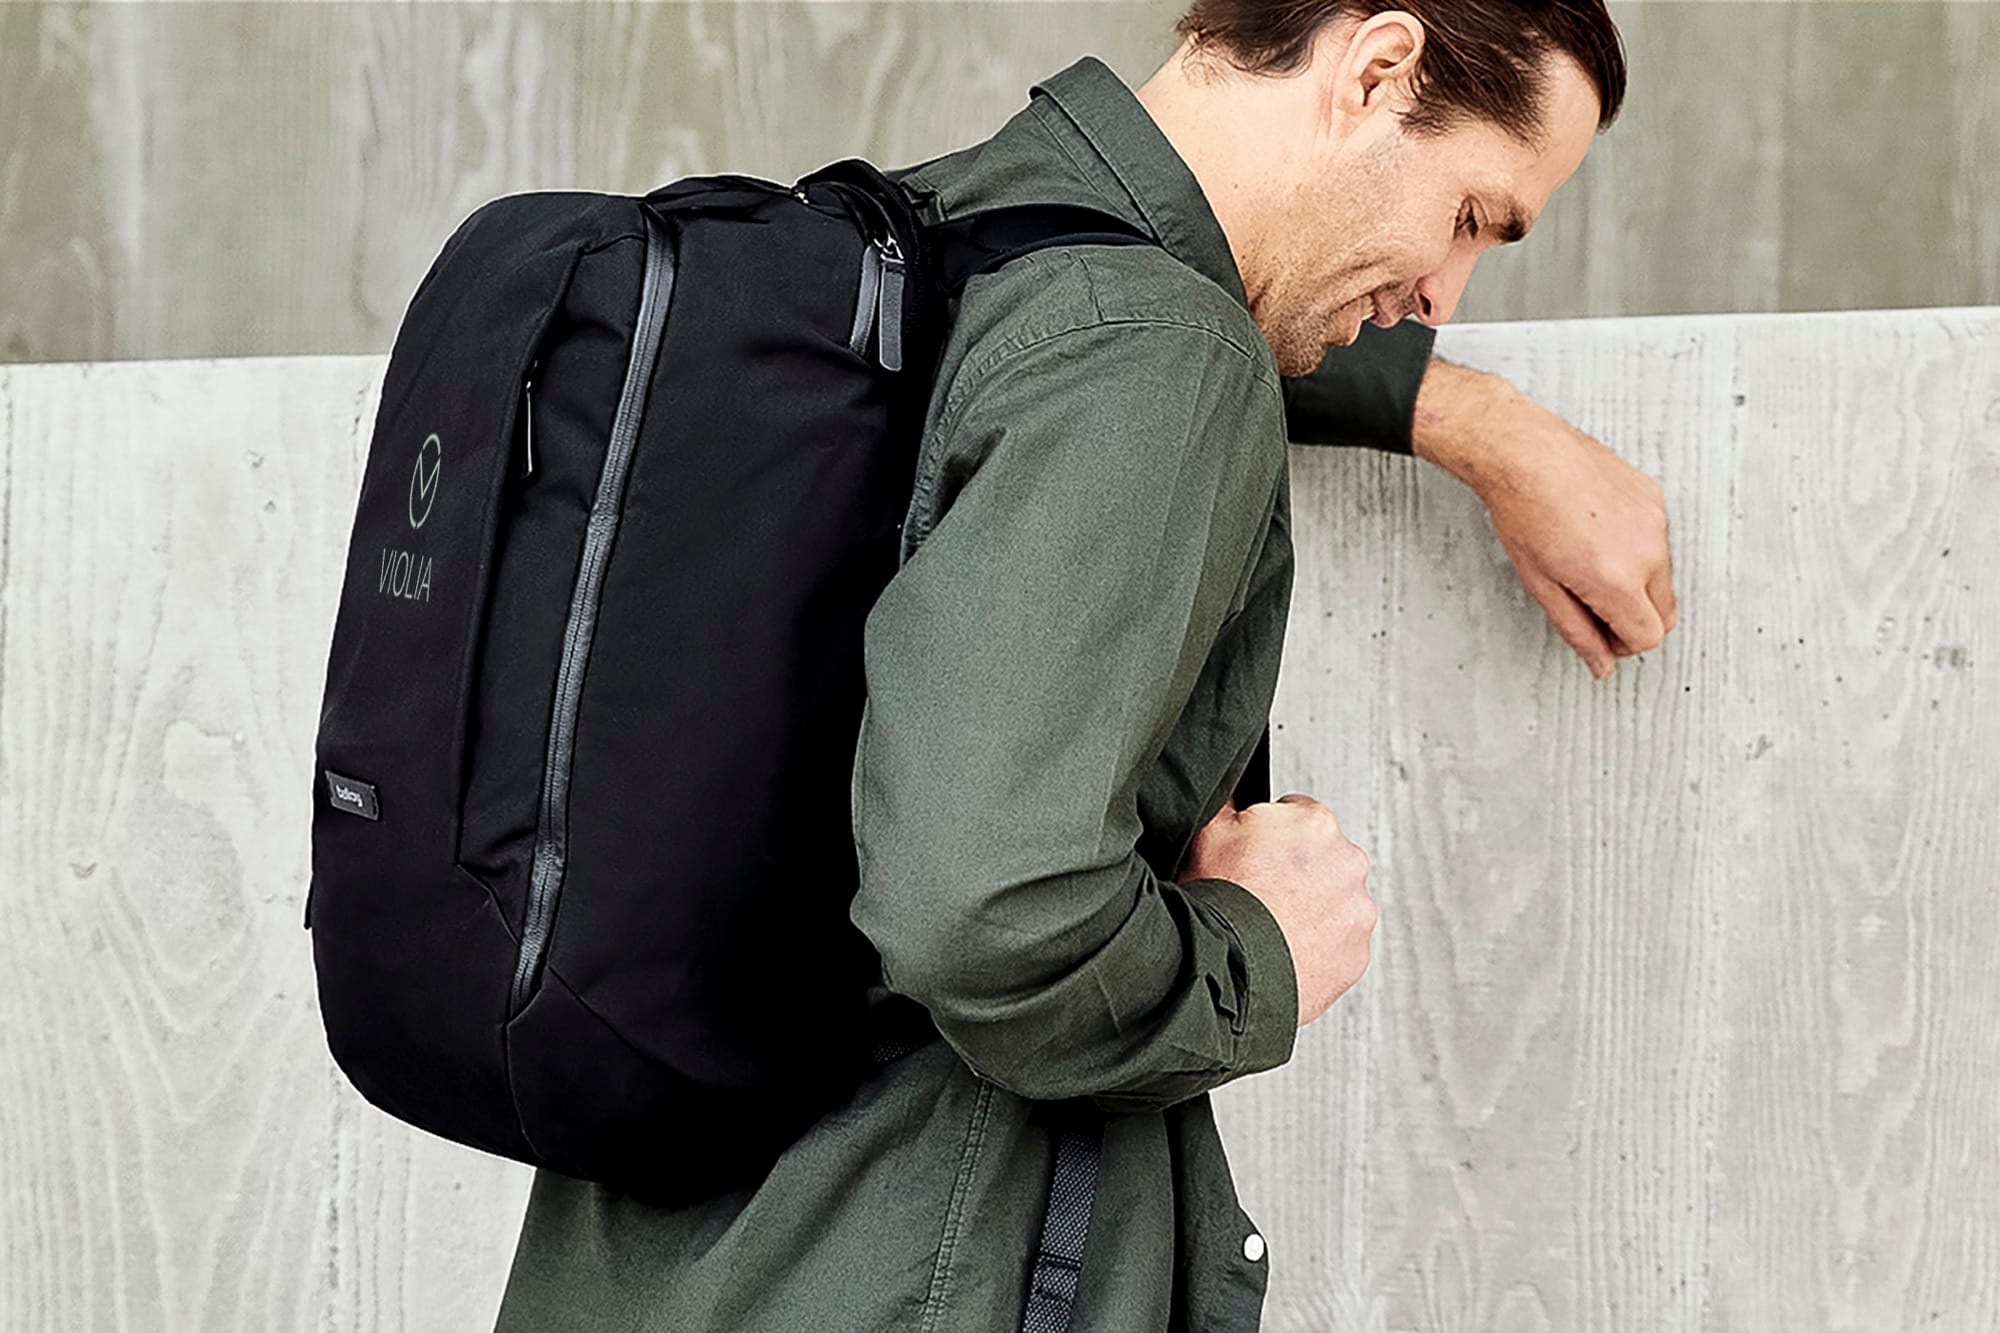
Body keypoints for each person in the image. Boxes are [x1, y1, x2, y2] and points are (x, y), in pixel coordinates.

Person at [495, 3, 1673, 1329]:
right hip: (913, 1272)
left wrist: (1470, 420)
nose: (1444, 296)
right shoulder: (1156, 352)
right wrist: (1259, 947)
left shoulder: (928, 237)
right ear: (1379, 68)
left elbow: (1133, 317)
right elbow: (985, 915)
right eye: (1468, 217)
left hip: (646, 1258)